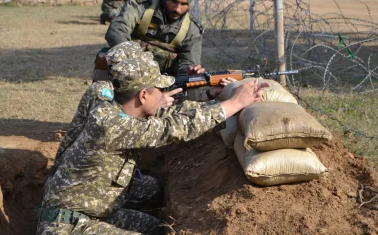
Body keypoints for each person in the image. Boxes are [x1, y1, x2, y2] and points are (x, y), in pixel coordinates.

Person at [36, 56, 269, 234]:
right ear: (143, 96)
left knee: (157, 228)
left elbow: (177, 114)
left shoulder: (121, 111)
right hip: (66, 225)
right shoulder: (111, 124)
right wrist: (235, 102)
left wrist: (216, 97)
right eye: (159, 89)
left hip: (94, 211)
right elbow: (175, 128)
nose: (164, 93)